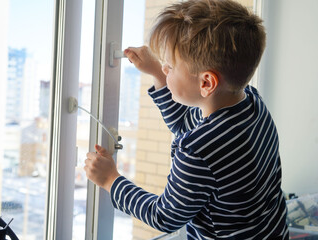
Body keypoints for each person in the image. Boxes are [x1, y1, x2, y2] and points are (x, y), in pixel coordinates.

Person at [84, 0, 289, 239]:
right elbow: (184, 124)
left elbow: (164, 216)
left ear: (206, 83)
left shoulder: (198, 150)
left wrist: (111, 180)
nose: (165, 69)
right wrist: (158, 74)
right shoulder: (252, 104)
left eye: (169, 66)